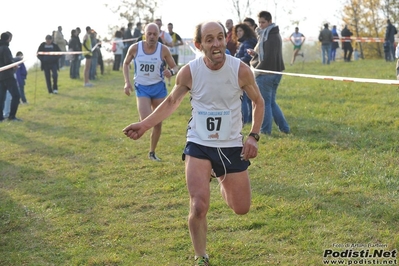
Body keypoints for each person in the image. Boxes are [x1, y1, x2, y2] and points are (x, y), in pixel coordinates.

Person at [122, 21, 264, 266]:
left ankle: (220, 176)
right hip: (198, 143)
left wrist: (253, 136)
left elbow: (258, 102)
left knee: (241, 208)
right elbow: (170, 103)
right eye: (209, 39)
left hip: (230, 145)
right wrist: (144, 125)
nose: (216, 44)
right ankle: (201, 256)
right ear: (199, 45)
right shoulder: (190, 71)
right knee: (198, 205)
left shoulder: (240, 70)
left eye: (220, 37)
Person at [123, 23, 179, 161]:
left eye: (155, 34)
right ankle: (142, 119)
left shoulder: (163, 50)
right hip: (142, 88)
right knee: (146, 121)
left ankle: (152, 152)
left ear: (159, 35)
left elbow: (176, 67)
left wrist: (170, 72)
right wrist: (127, 82)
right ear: (145, 34)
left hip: (158, 88)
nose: (152, 37)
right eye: (149, 34)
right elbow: (125, 63)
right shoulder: (135, 48)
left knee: (158, 123)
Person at [248, 11, 290, 135]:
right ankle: (285, 128)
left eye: (263, 22)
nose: (260, 25)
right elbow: (265, 54)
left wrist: (258, 69)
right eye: (259, 22)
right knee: (271, 102)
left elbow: (268, 57)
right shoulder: (269, 34)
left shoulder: (270, 36)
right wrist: (255, 54)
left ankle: (265, 131)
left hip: (267, 73)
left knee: (264, 103)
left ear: (269, 21)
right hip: (273, 72)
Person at [233, 23, 257, 124]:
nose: (238, 33)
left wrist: (235, 60)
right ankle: (248, 119)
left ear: (245, 31)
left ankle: (246, 120)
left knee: (245, 99)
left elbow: (247, 57)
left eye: (240, 31)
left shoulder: (247, 43)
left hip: (245, 72)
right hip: (246, 71)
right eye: (237, 31)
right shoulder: (244, 42)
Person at [0, 32, 21, 122]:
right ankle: (12, 116)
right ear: (8, 38)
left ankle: (0, 117)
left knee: (1, 98)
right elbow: (8, 61)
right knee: (16, 95)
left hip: (0, 77)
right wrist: (15, 64)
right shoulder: (5, 48)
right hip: (8, 76)